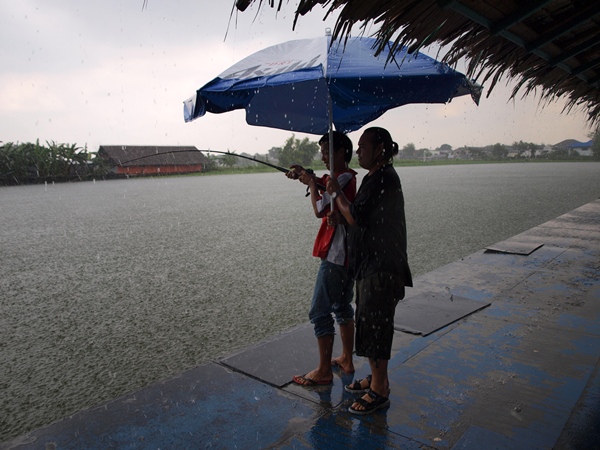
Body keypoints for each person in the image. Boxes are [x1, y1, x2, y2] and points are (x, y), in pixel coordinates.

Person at [326, 126, 412, 415]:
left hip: (381, 266)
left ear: (380, 150)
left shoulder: (383, 178)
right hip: (372, 264)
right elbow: (358, 218)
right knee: (370, 323)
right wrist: (341, 213)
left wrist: (337, 193)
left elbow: (357, 214)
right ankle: (378, 378)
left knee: (376, 326)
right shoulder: (375, 178)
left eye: (363, 146)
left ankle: (379, 389)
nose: (358, 151)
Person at [287, 131, 358, 386]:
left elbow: (319, 209)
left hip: (337, 256)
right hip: (348, 257)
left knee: (319, 312)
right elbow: (326, 184)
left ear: (341, 152)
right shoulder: (345, 177)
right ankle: (347, 359)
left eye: (327, 151)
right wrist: (308, 176)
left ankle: (324, 371)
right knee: (341, 306)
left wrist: (310, 183)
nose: (323, 155)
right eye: (322, 151)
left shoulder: (340, 179)